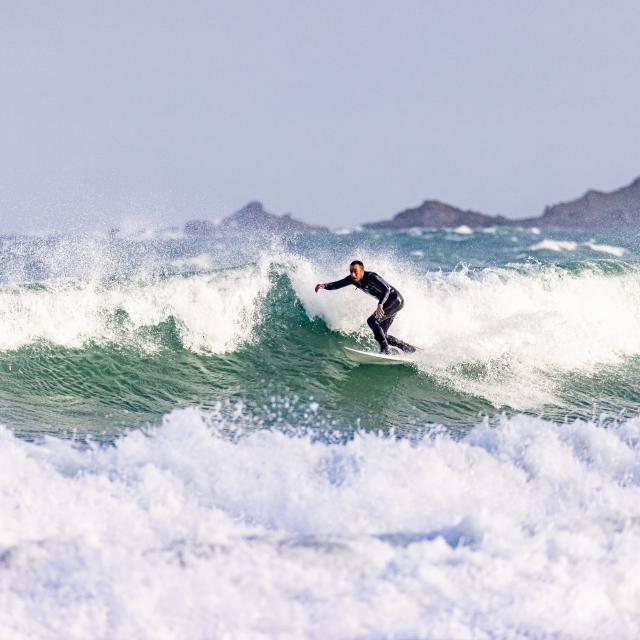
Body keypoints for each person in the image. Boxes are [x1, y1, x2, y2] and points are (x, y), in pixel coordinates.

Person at [315, 260, 416, 355]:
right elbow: (337, 284)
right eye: (351, 271)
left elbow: (387, 289)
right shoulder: (352, 279)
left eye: (355, 271)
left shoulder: (372, 276)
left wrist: (380, 304)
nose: (353, 274)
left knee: (372, 321)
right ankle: (407, 348)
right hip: (391, 303)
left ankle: (385, 350)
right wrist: (324, 285)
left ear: (362, 270)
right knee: (382, 335)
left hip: (395, 300)